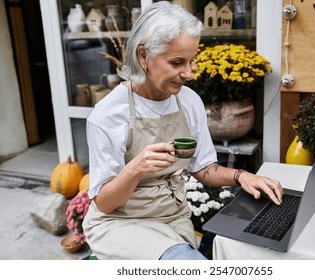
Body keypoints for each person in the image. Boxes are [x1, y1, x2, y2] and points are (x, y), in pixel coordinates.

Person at [83, 1, 283, 260]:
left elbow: (203, 168)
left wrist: (241, 176)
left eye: (191, 61)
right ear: (143, 56)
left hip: (174, 220)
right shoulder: (108, 115)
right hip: (120, 223)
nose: (188, 73)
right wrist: (136, 168)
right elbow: (105, 203)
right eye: (177, 62)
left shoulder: (188, 101)